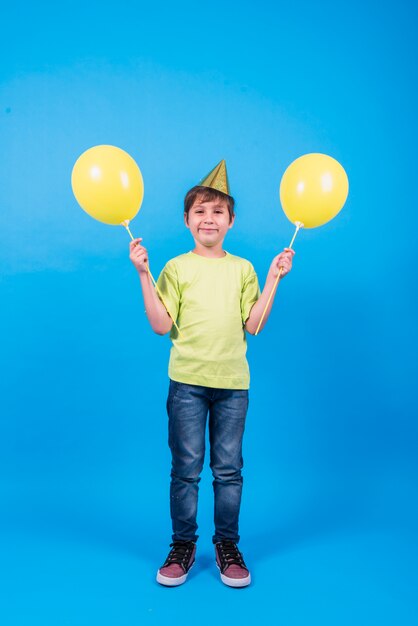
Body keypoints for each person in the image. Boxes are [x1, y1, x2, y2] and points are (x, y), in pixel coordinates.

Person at [129, 160, 295, 588]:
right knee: (186, 469)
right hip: (187, 384)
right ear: (187, 221)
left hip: (233, 387)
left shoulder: (242, 269)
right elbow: (161, 325)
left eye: (217, 211)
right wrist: (145, 274)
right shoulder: (176, 268)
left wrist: (274, 277)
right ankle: (182, 545)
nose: (209, 218)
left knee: (228, 471)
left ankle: (227, 545)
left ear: (231, 221)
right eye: (200, 211)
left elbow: (253, 324)